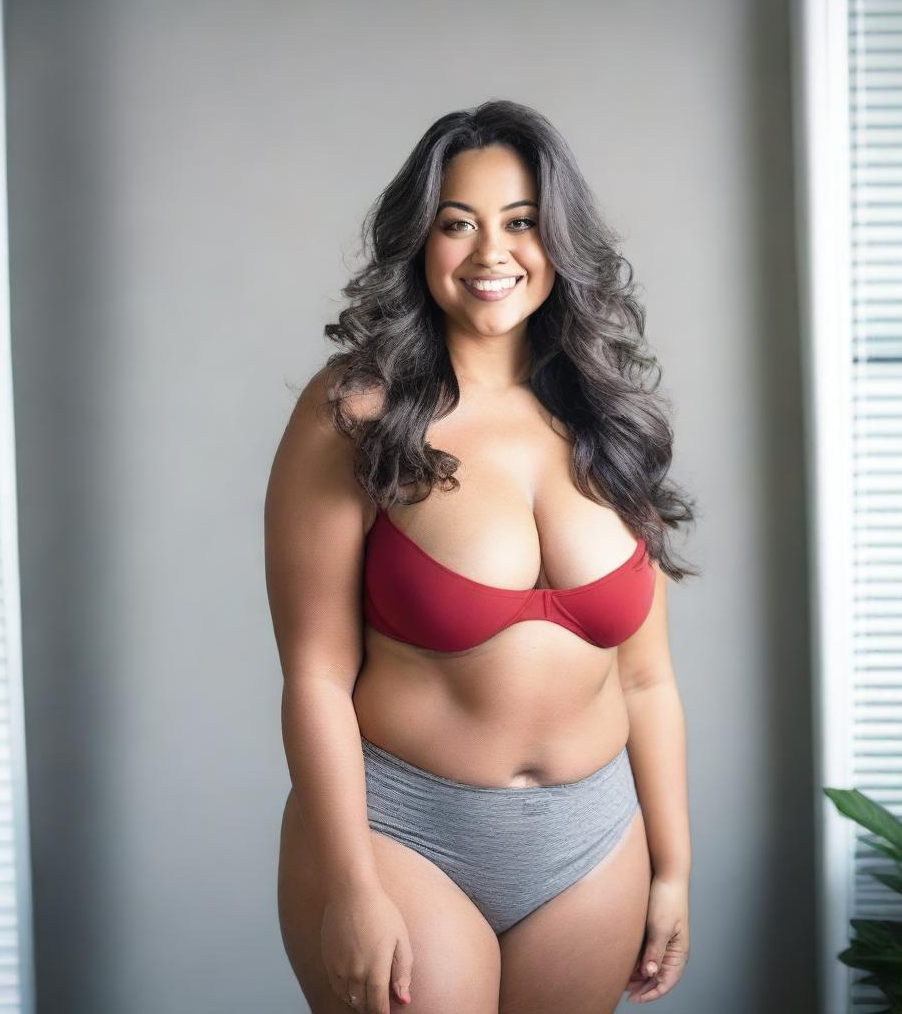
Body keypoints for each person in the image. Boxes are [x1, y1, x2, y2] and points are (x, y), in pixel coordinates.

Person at [265, 99, 698, 1014]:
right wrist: (351, 886)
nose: (490, 253)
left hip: (592, 844)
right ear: (421, 243)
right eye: (457, 223)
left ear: (559, 243)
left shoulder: (607, 421)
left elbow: (648, 681)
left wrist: (673, 868)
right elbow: (312, 676)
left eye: (522, 224)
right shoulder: (357, 413)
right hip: (401, 834)